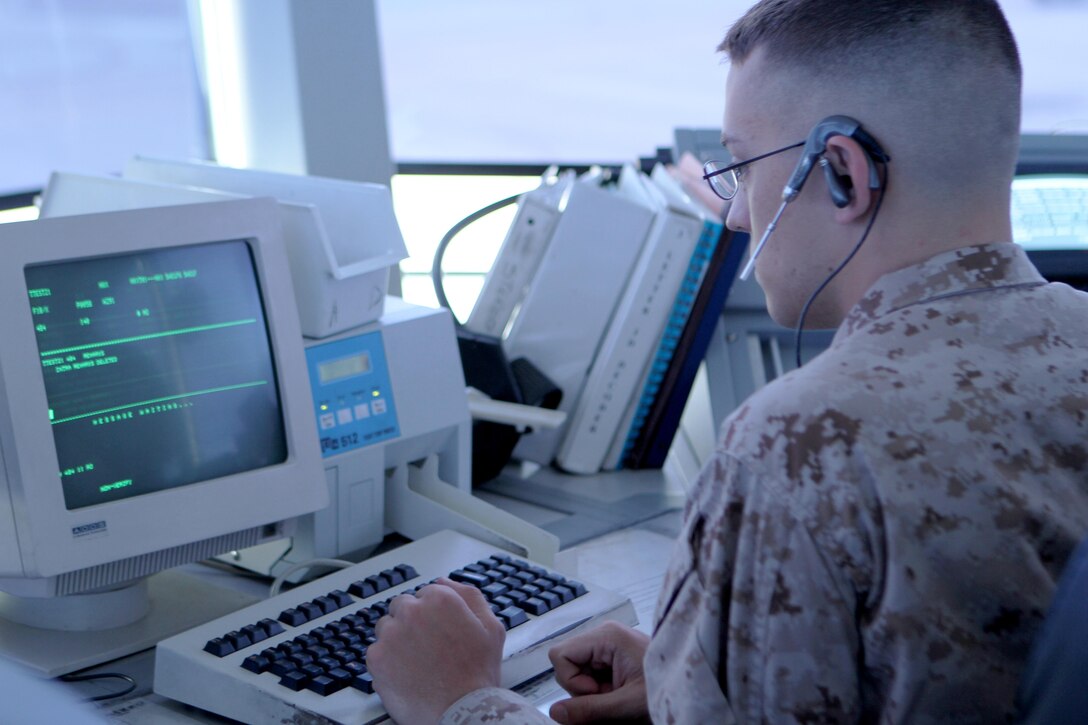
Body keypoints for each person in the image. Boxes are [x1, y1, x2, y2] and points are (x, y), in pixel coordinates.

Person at [367, 1, 1088, 722]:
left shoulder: (797, 445)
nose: (735, 214)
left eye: (742, 167)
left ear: (843, 172)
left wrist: (461, 700)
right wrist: (697, 675)